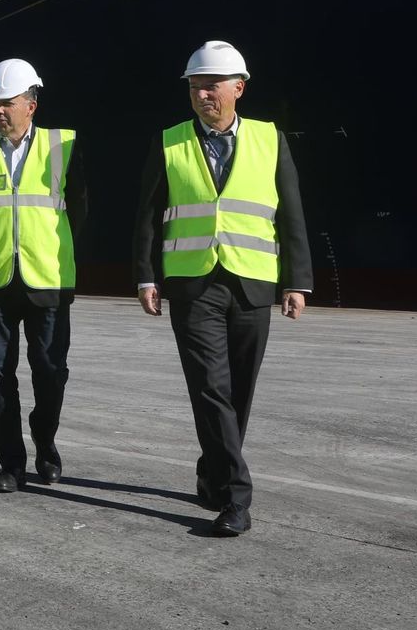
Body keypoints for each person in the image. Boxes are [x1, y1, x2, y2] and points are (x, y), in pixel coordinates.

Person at [133, 41, 311, 537]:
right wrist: (147, 276)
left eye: (212, 86)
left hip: (253, 282)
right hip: (193, 284)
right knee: (211, 389)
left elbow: (291, 213)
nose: (202, 94)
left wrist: (297, 281)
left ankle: (212, 471)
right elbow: (147, 215)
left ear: (239, 88)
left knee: (239, 391)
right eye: (195, 86)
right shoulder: (169, 142)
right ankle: (236, 497)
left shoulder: (270, 140)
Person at [0, 59, 86, 493]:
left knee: (51, 371)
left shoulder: (64, 145)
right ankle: (11, 464)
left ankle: (44, 441)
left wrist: (55, 253)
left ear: (31, 105)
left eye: (7, 102)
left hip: (48, 278)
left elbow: (80, 209)